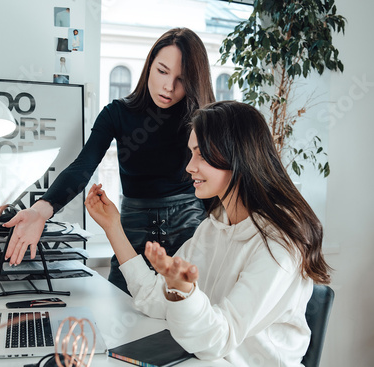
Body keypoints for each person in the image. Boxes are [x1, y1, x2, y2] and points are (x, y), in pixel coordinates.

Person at [84, 101, 332, 366]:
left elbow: (218, 338)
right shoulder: (213, 227)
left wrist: (183, 291)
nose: (189, 167)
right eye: (191, 153)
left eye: (201, 154)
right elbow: (152, 298)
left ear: (237, 155)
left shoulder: (279, 244)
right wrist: (112, 227)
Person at [3, 27, 215, 294]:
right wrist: (40, 211)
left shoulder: (203, 119)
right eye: (162, 71)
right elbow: (82, 168)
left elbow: (217, 185)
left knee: (183, 316)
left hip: (190, 233)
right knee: (121, 310)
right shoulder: (116, 114)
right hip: (131, 234)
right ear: (149, 66)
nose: (168, 87)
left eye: (181, 79)